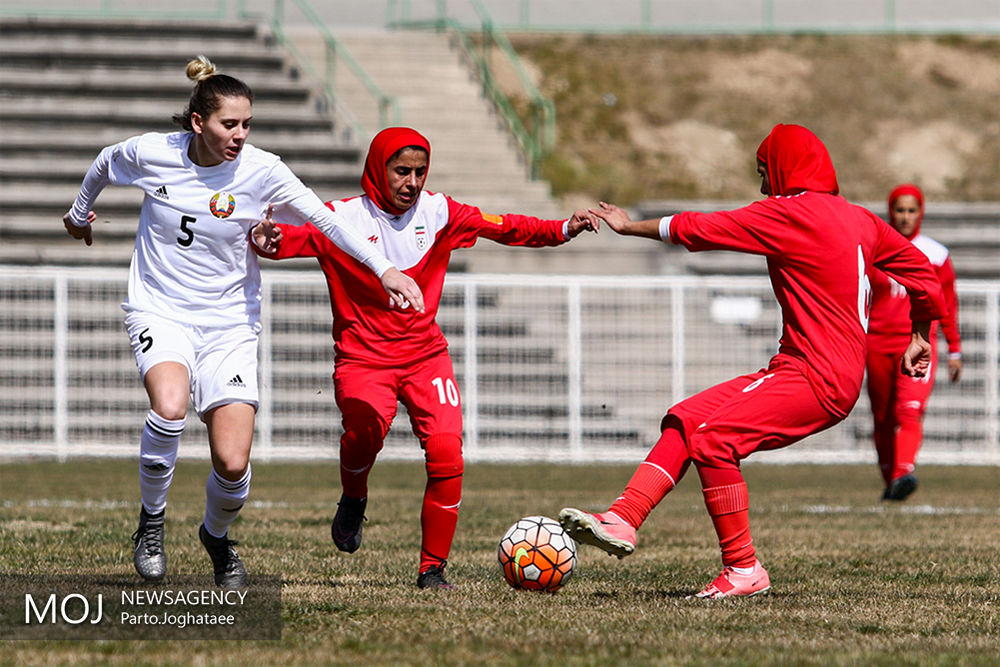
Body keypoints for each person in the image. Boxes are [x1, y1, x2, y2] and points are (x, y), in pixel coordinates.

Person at [62, 56, 424, 589]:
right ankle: (151, 524)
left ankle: (215, 536)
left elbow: (326, 219)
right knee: (169, 406)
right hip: (160, 308)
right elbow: (102, 162)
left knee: (232, 464)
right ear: (197, 123)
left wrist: (385, 268)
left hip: (230, 322)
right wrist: (77, 214)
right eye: (229, 124)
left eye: (246, 124)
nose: (239, 134)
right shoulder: (150, 153)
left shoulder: (262, 169)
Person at [558, 123, 947, 599]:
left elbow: (698, 230)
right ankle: (624, 517)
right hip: (807, 369)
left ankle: (743, 568)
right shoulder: (861, 219)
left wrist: (627, 225)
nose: (763, 185)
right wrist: (922, 333)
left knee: (714, 439)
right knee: (687, 419)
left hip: (817, 376)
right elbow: (923, 275)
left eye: (765, 172)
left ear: (784, 168)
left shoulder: (787, 213)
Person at [252, 126, 597, 589]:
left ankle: (431, 569)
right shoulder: (339, 219)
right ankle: (353, 498)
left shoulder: (440, 213)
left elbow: (505, 227)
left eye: (419, 171)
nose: (412, 182)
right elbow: (283, 243)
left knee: (446, 452)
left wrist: (561, 229)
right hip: (363, 360)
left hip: (425, 358)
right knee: (364, 434)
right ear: (378, 169)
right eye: (401, 171)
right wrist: (265, 238)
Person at [866, 184, 962, 501]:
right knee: (882, 417)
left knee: (910, 410)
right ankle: (891, 483)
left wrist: (955, 349)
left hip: (919, 344)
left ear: (921, 212)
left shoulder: (936, 254)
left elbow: (946, 305)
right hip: (876, 345)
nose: (905, 217)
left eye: (912, 210)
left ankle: (902, 472)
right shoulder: (873, 250)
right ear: (890, 211)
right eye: (900, 210)